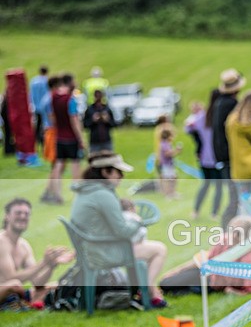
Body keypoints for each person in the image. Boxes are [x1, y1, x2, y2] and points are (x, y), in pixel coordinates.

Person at [70, 151, 168, 308]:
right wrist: (138, 222)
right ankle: (148, 292)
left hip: (91, 249)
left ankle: (147, 292)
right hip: (105, 253)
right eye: (119, 172)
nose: (121, 177)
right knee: (159, 249)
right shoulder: (103, 194)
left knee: (144, 246)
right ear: (105, 172)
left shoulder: (84, 191)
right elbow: (123, 231)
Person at [159, 215, 251, 296]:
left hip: (213, 284)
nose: (233, 236)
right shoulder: (223, 240)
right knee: (165, 283)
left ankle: (189, 289)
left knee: (172, 288)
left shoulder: (248, 257)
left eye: (238, 233)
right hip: (205, 274)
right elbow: (204, 260)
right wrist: (177, 271)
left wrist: (234, 292)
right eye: (231, 230)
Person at [0, 198, 74, 307]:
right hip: (8, 288)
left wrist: (52, 265)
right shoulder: (2, 241)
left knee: (56, 286)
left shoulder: (24, 245)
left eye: (26, 214)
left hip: (12, 291)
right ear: (7, 216)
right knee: (14, 285)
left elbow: (37, 283)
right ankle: (27, 303)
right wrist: (43, 263)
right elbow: (10, 278)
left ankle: (24, 303)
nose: (22, 217)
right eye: (18, 213)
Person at [42, 73, 85, 205]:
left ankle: (57, 194)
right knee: (75, 166)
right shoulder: (70, 99)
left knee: (58, 165)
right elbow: (74, 120)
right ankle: (77, 194)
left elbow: (51, 117)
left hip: (58, 136)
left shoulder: (53, 97)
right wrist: (81, 138)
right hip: (71, 137)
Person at [213, 69, 245, 226]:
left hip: (222, 156)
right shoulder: (231, 104)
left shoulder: (219, 103)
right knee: (235, 197)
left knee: (235, 196)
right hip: (230, 157)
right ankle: (227, 229)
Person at [186, 91, 222, 220]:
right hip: (217, 157)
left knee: (206, 184)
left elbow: (189, 128)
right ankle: (214, 213)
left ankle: (196, 211)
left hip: (204, 157)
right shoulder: (218, 116)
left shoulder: (201, 117)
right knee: (218, 186)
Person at [83, 89, 116, 154]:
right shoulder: (90, 109)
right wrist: (93, 120)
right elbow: (85, 125)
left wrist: (107, 120)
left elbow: (113, 124)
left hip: (106, 139)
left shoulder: (107, 109)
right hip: (94, 140)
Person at [158, 128, 182, 199]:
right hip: (166, 165)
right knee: (168, 179)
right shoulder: (164, 144)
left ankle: (172, 192)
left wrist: (176, 152)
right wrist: (176, 150)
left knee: (173, 178)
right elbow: (167, 154)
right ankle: (168, 194)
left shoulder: (167, 143)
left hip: (169, 164)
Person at [30, 66, 49, 149]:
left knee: (37, 125)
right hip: (45, 107)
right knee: (45, 124)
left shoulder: (34, 81)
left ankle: (36, 141)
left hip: (36, 106)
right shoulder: (46, 81)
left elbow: (31, 94)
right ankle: (44, 141)